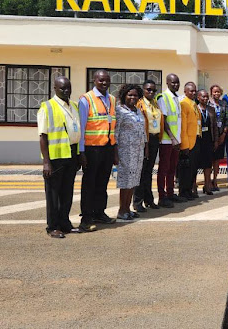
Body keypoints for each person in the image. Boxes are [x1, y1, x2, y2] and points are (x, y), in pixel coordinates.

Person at [38, 76, 88, 237]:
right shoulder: (47, 107)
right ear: (55, 88)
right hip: (55, 157)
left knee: (67, 192)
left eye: (68, 88)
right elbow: (42, 136)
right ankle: (53, 227)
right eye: (62, 88)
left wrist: (79, 154)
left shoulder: (74, 105)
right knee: (53, 194)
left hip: (72, 154)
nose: (66, 91)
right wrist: (46, 162)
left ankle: (65, 223)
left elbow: (76, 131)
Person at [79, 69, 117, 226]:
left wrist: (114, 151)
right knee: (89, 184)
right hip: (91, 149)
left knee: (102, 183)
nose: (104, 83)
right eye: (101, 80)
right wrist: (81, 152)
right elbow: (81, 127)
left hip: (107, 147)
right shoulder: (86, 99)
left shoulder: (112, 99)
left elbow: (113, 125)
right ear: (94, 81)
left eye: (107, 80)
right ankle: (87, 217)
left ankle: (99, 212)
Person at [115, 84, 147, 221]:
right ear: (124, 96)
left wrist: (145, 147)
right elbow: (115, 133)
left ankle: (128, 209)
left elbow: (143, 131)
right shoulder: (120, 111)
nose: (133, 97)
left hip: (138, 152)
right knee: (125, 182)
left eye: (135, 95)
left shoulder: (137, 111)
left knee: (133, 181)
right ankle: (122, 211)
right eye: (130, 95)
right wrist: (115, 153)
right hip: (125, 152)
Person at [133, 79, 162, 212]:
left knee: (149, 171)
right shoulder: (140, 104)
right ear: (143, 90)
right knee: (141, 171)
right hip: (145, 140)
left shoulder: (154, 103)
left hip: (154, 139)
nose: (151, 92)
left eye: (153, 90)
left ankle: (149, 200)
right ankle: (137, 202)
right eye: (148, 89)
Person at [157, 73, 181, 208]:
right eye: (173, 83)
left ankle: (170, 193)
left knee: (172, 168)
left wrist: (178, 139)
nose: (176, 85)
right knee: (164, 169)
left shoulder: (176, 98)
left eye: (177, 83)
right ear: (167, 83)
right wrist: (172, 137)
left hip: (176, 141)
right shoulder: (163, 97)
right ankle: (162, 196)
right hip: (167, 141)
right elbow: (164, 120)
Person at [179, 82, 201, 200]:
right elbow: (183, 127)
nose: (193, 93)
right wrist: (185, 145)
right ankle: (183, 192)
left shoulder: (194, 104)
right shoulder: (184, 104)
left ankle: (189, 190)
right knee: (186, 170)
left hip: (196, 139)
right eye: (191, 91)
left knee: (193, 168)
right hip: (188, 142)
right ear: (185, 91)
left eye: (194, 91)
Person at [195, 89, 218, 195]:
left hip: (208, 140)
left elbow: (214, 126)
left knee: (208, 165)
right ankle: (193, 187)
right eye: (202, 97)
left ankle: (207, 186)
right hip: (197, 140)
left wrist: (216, 140)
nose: (205, 98)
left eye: (206, 97)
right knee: (195, 164)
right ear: (198, 97)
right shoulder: (195, 108)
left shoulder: (211, 109)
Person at [209, 84, 228, 192]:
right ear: (211, 93)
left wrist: (223, 134)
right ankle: (207, 181)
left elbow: (227, 119)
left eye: (218, 92)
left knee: (217, 159)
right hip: (210, 136)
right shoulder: (207, 103)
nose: (216, 94)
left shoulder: (224, 104)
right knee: (209, 159)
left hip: (221, 135)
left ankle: (215, 180)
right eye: (214, 92)